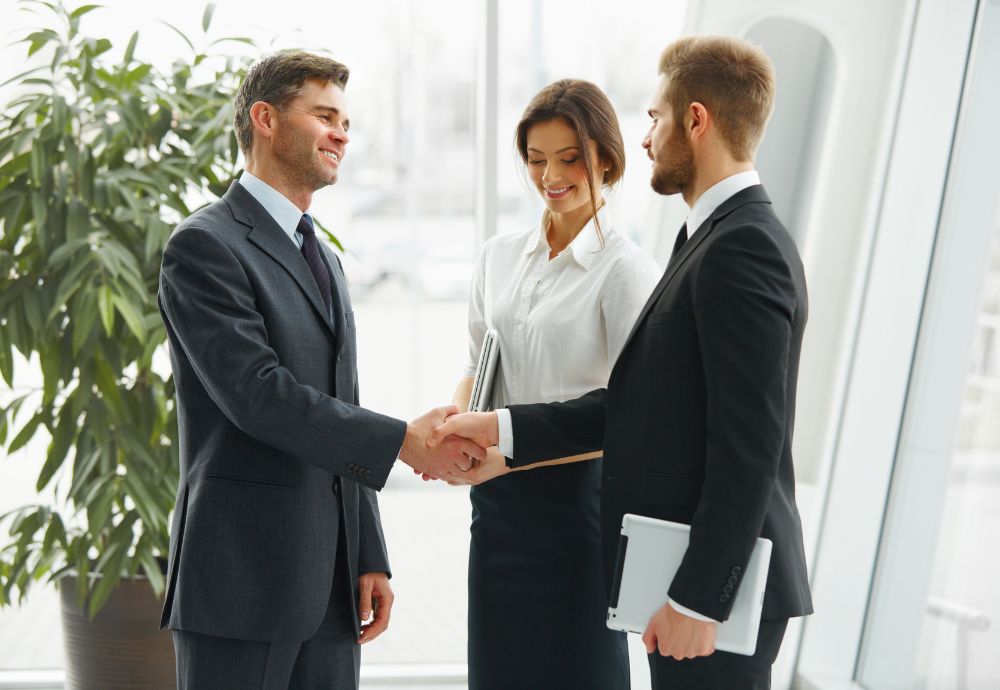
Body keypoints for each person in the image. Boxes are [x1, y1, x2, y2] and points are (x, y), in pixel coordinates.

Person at [430, 35, 813, 689]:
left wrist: (699, 599)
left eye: (656, 118)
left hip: (709, 594)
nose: (647, 139)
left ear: (696, 120)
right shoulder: (710, 239)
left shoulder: (741, 247)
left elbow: (748, 448)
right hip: (680, 578)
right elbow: (638, 406)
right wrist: (497, 429)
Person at [157, 50, 483, 690]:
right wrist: (403, 441)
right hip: (241, 583)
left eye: (347, 121)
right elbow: (257, 395)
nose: (342, 134)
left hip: (331, 587)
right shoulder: (204, 246)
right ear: (266, 119)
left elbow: (342, 400)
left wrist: (369, 553)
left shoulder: (323, 259)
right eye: (324, 115)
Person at [444, 80, 660, 690]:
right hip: (496, 510)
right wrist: (457, 433)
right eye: (537, 159)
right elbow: (475, 364)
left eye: (569, 158)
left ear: (607, 162)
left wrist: (501, 456)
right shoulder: (498, 256)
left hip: (578, 511)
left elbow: (631, 413)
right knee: (498, 673)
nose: (550, 176)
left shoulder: (626, 271)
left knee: (581, 671)